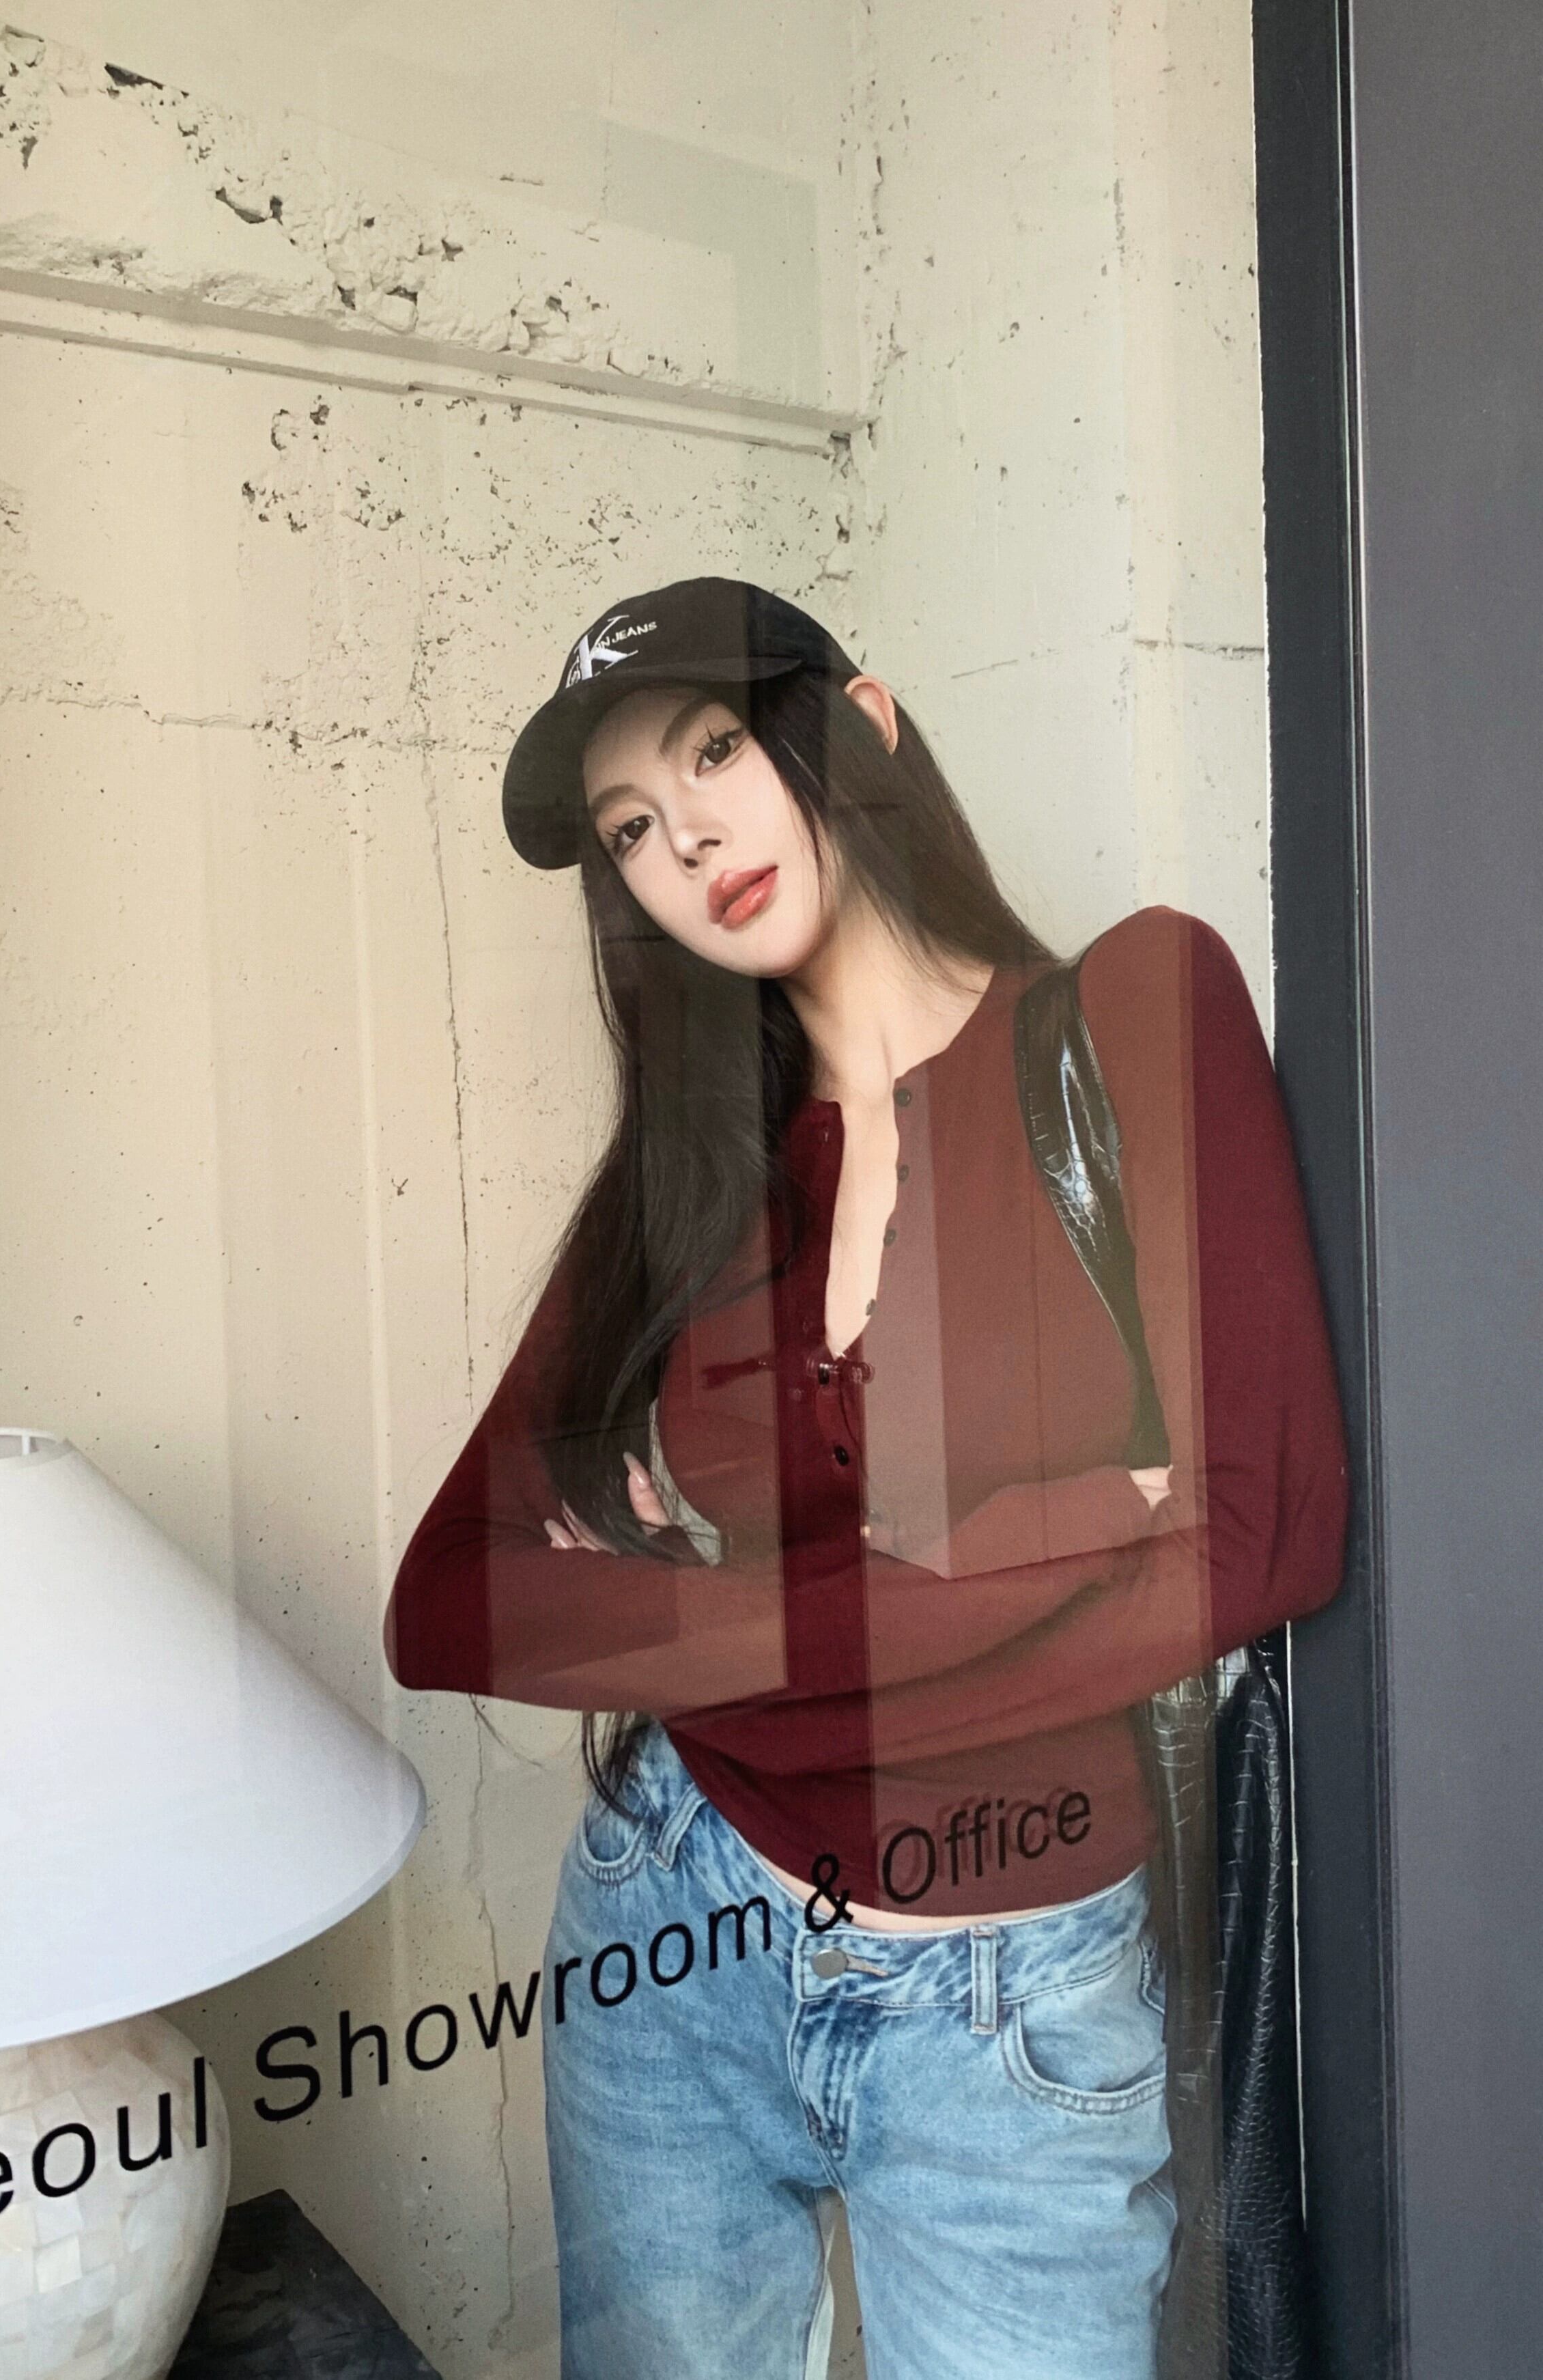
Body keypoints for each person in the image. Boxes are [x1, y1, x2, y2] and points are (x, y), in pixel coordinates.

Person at [383, 578, 1347, 2380]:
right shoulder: (687, 1178)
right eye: (630, 827)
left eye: (716, 751)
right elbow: (446, 1603)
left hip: (1015, 1999)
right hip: (674, 1928)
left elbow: (1265, 1535)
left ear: (866, 723)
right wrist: (1071, 1526)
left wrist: (680, 1614)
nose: (686, 840)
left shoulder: (1135, 1012)